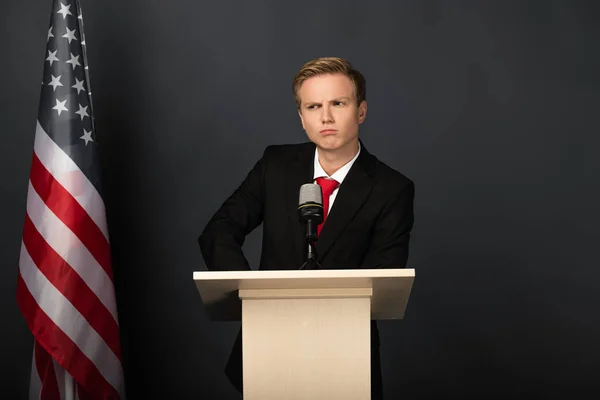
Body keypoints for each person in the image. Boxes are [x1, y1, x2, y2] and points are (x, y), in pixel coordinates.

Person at [198, 56, 415, 399]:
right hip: (265, 347)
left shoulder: (392, 189)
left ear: (361, 111)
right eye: (313, 106)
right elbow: (219, 230)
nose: (325, 117)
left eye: (338, 103)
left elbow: (383, 277)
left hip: (347, 357)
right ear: (301, 117)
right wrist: (251, 295)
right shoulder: (276, 166)